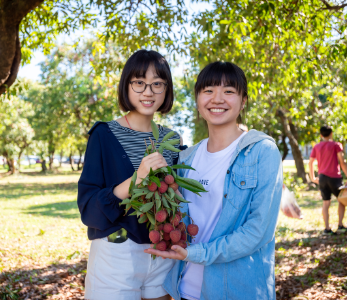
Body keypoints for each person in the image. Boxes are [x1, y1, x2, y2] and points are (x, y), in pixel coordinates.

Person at [145, 61, 283, 300]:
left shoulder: (262, 151)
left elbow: (258, 232)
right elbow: (179, 219)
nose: (217, 99)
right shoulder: (186, 158)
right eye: (208, 90)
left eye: (229, 91)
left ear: (243, 101)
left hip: (238, 291)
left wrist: (196, 253)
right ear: (198, 100)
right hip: (185, 289)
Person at [77, 50, 182, 300]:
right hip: (117, 254)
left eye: (157, 84)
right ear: (127, 86)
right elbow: (88, 208)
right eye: (139, 82)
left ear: (166, 90)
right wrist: (138, 178)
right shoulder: (103, 135)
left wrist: (175, 189)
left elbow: (178, 199)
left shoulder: (172, 140)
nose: (148, 92)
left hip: (162, 251)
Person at [309, 125, 347, 235]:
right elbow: (342, 162)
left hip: (322, 177)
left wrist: (312, 177)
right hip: (335, 178)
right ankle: (340, 225)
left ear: (321, 135)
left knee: (326, 203)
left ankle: (327, 229)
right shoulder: (336, 145)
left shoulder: (317, 146)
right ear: (331, 133)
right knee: (341, 200)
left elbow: (310, 162)